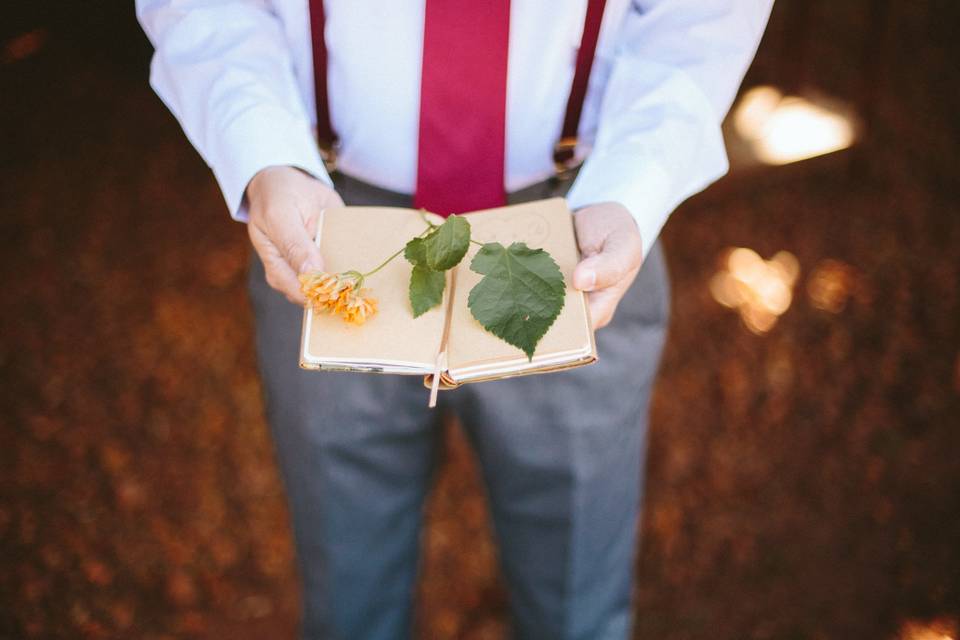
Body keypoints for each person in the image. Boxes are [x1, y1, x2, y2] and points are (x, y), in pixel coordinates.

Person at [136, 1, 772, 638]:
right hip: (330, 222)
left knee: (577, 594)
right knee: (346, 584)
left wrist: (636, 182)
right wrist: (261, 150)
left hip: (575, 221)